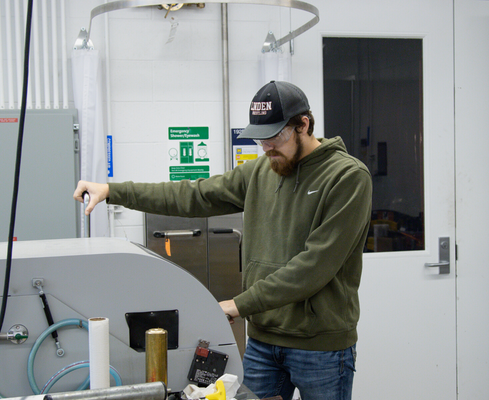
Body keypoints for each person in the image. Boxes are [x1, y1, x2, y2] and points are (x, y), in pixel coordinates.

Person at [74, 80, 372, 400]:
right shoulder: (260, 172)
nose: (267, 146)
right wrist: (115, 191)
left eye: (275, 136)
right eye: (261, 138)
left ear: (303, 125)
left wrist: (238, 305)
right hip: (262, 342)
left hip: (321, 349)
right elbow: (193, 195)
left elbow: (313, 267)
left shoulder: (347, 177)